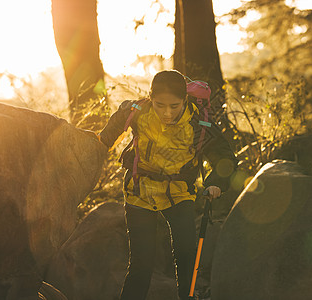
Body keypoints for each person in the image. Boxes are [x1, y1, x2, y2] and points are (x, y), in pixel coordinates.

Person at [98, 70, 237, 300]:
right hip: (140, 192)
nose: (167, 112)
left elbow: (224, 158)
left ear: (185, 100)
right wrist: (101, 144)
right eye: (159, 105)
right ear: (150, 97)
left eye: (174, 106)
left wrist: (216, 183)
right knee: (141, 264)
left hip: (179, 194)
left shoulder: (198, 123)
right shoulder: (139, 112)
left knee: (186, 257)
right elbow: (113, 126)